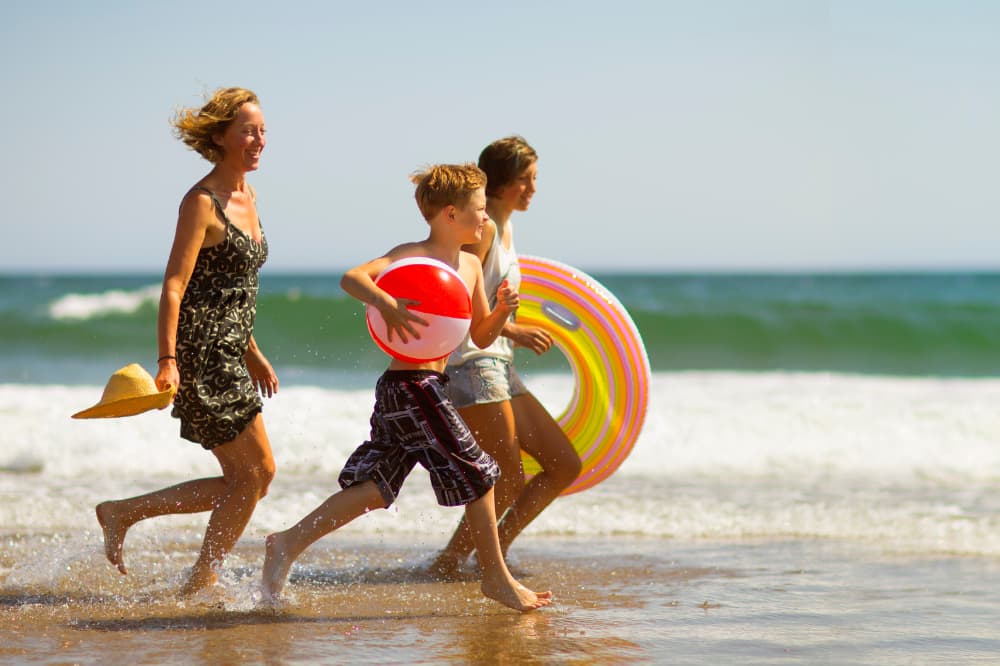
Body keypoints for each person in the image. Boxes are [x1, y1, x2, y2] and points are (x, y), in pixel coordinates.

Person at [261, 164, 552, 612]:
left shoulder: (472, 264)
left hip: (423, 384)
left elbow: (479, 335)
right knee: (479, 472)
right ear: (451, 214)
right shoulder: (412, 254)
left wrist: (501, 311)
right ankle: (496, 578)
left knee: (377, 487)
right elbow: (353, 278)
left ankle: (287, 543)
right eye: (479, 210)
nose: (486, 219)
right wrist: (386, 302)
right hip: (410, 383)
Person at [95, 87, 278, 596]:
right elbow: (177, 285)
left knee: (252, 479)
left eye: (262, 129)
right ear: (220, 137)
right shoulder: (201, 202)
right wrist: (168, 361)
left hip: (231, 351)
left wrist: (253, 351)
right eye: (248, 130)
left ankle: (125, 514)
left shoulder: (250, 196)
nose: (259, 139)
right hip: (201, 354)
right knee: (258, 473)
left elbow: (232, 289)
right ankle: (201, 575)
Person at [429, 137, 582, 577]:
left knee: (563, 464)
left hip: (498, 362)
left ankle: (485, 556)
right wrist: (510, 325)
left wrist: (508, 333)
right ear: (499, 185)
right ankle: (451, 562)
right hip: (473, 362)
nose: (533, 188)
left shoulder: (505, 225)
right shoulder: (486, 227)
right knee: (507, 476)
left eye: (534, 179)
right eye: (525, 180)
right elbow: (460, 289)